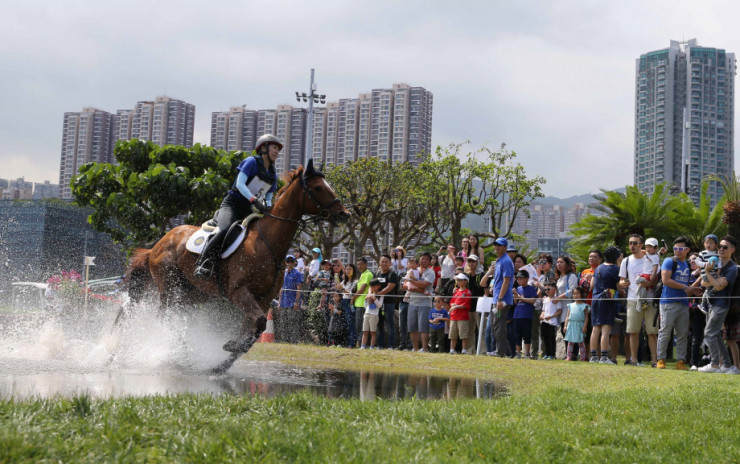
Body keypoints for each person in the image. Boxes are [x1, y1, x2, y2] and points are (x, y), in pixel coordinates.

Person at [194, 134, 282, 277]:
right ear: (264, 148)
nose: (277, 152)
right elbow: (240, 184)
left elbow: (269, 198)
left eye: (278, 150)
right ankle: (204, 262)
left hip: (247, 210)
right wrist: (254, 200)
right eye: (274, 147)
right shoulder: (251, 162)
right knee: (224, 229)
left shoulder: (273, 175)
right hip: (231, 204)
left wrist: (268, 208)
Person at [656, 236, 700, 370]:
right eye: (675, 248)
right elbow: (666, 280)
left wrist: (692, 290)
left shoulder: (687, 264)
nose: (677, 251)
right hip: (668, 302)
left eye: (681, 248)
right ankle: (660, 359)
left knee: (682, 333)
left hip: (684, 303)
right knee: (665, 331)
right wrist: (685, 288)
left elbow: (687, 284)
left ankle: (680, 361)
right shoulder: (669, 261)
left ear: (687, 250)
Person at [699, 236, 740, 374]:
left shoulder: (732, 268)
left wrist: (710, 275)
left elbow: (720, 287)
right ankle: (727, 365)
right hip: (711, 303)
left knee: (709, 333)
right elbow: (703, 283)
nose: (721, 249)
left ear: (732, 250)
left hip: (722, 304)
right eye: (720, 247)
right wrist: (713, 278)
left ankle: (715, 364)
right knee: (715, 335)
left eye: (725, 247)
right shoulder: (714, 261)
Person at [620, 234, 659, 368]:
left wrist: (649, 283)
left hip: (649, 299)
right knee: (633, 331)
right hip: (633, 299)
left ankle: (655, 361)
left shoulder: (651, 258)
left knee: (652, 332)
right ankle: (634, 360)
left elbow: (657, 278)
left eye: (635, 243)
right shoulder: (626, 260)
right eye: (630, 243)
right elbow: (621, 280)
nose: (632, 246)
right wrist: (623, 283)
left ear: (641, 245)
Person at [589, 246, 621, 364]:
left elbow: (592, 285)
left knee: (595, 328)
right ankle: (603, 356)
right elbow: (619, 288)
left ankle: (593, 356)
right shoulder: (616, 269)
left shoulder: (598, 268)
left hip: (595, 299)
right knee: (606, 328)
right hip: (608, 300)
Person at [405, 252, 436, 352]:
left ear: (430, 261)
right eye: (422, 259)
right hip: (412, 302)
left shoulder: (431, 272)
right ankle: (415, 348)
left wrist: (412, 282)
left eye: (426, 259)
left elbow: (424, 284)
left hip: (425, 303)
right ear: (419, 260)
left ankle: (425, 348)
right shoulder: (413, 270)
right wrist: (419, 289)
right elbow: (404, 285)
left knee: (423, 328)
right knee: (412, 327)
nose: (424, 261)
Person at [491, 237, 514, 357]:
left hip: (502, 299)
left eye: (499, 245)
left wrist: (500, 298)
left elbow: (506, 281)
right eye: (495, 245)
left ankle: (500, 352)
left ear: (505, 248)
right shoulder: (499, 260)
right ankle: (508, 352)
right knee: (496, 325)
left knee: (499, 326)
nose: (496, 247)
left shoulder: (506, 261)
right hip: (497, 297)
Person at [276, 255, 303, 343]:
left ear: (294, 263)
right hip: (284, 301)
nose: (289, 264)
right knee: (283, 322)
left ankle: (293, 341)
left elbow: (299, 288)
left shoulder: (297, 273)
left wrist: (297, 302)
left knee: (292, 322)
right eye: (288, 261)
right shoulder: (284, 273)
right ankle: (285, 340)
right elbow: (281, 288)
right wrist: (279, 302)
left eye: (291, 262)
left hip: (292, 302)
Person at [374, 254, 399, 349]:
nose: (384, 263)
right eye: (382, 261)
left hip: (389, 303)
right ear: (379, 263)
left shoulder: (392, 274)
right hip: (377, 303)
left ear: (390, 263)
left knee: (390, 325)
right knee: (379, 324)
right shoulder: (377, 274)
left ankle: (391, 346)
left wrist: (378, 294)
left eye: (386, 261)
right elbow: (372, 285)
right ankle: (379, 345)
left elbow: (390, 287)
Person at [512, 269, 537, 359]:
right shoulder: (518, 289)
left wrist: (521, 298)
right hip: (517, 315)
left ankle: (527, 353)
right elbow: (515, 302)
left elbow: (533, 300)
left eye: (521, 278)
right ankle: (518, 352)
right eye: (518, 278)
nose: (519, 280)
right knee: (517, 334)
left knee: (527, 334)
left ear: (526, 279)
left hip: (527, 315)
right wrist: (515, 296)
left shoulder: (531, 289)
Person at [351, 257, 374, 347]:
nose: (359, 266)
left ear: (366, 264)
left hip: (362, 304)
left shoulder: (368, 274)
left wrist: (353, 298)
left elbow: (362, 289)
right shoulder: (362, 274)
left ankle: (362, 345)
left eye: (361, 264)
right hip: (358, 304)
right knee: (358, 326)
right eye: (358, 264)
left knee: (360, 326)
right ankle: (360, 344)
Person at [397, 256, 418, 350]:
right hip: (403, 302)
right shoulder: (402, 274)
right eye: (410, 263)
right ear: (407, 264)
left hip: (413, 301)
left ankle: (410, 345)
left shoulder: (418, 274)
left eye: (414, 263)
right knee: (402, 324)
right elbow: (401, 287)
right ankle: (402, 343)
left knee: (411, 324)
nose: (412, 265)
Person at [564, 287, 590, 361]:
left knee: (581, 342)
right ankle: (569, 356)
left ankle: (583, 357)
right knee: (570, 342)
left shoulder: (584, 306)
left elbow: (586, 317)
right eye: (574, 294)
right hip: (571, 325)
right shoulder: (570, 305)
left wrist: (585, 327)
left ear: (581, 295)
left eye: (577, 294)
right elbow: (567, 316)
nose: (575, 295)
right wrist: (565, 326)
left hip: (580, 325)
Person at [360, 279, 384, 349]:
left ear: (378, 286)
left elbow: (380, 305)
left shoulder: (380, 295)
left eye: (374, 286)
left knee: (373, 332)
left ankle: (372, 346)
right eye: (371, 287)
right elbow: (365, 306)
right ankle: (363, 345)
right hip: (367, 314)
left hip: (374, 315)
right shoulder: (369, 294)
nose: (373, 288)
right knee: (365, 331)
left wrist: (375, 299)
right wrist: (367, 300)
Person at [540, 284, 561, 359]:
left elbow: (559, 311)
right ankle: (547, 353)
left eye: (548, 289)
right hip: (545, 321)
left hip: (552, 322)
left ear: (554, 290)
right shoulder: (545, 299)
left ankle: (552, 354)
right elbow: (543, 310)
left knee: (551, 338)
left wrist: (551, 316)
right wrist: (542, 315)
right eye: (545, 290)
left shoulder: (556, 300)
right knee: (545, 338)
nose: (547, 291)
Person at [340, 264, 359, 348]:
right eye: (346, 269)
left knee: (351, 324)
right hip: (344, 302)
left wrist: (343, 289)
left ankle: (352, 343)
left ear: (353, 271)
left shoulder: (355, 282)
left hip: (350, 302)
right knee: (347, 323)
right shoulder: (345, 281)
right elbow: (340, 288)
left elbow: (352, 294)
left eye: (349, 269)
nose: (347, 271)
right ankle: (348, 342)